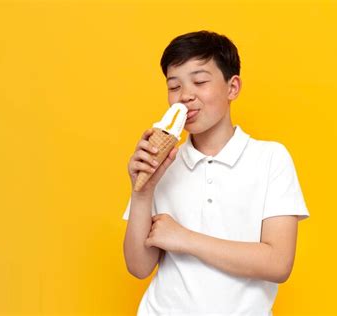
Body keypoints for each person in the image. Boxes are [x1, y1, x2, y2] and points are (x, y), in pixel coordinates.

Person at [122, 30, 310, 316]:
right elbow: (138, 267)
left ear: (232, 87)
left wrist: (185, 238)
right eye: (174, 86)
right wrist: (142, 191)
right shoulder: (163, 162)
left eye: (200, 81)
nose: (185, 96)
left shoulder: (271, 158)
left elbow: (278, 263)